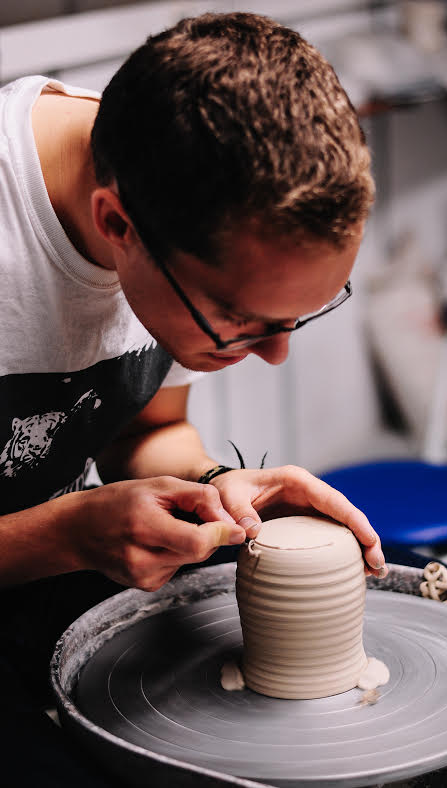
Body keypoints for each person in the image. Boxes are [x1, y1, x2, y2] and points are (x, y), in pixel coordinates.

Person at [0, 11, 385, 785]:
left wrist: (214, 488)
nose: (273, 355)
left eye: (297, 318)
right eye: (242, 321)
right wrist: (67, 535)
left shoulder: (168, 177)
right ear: (117, 225)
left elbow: (146, 432)